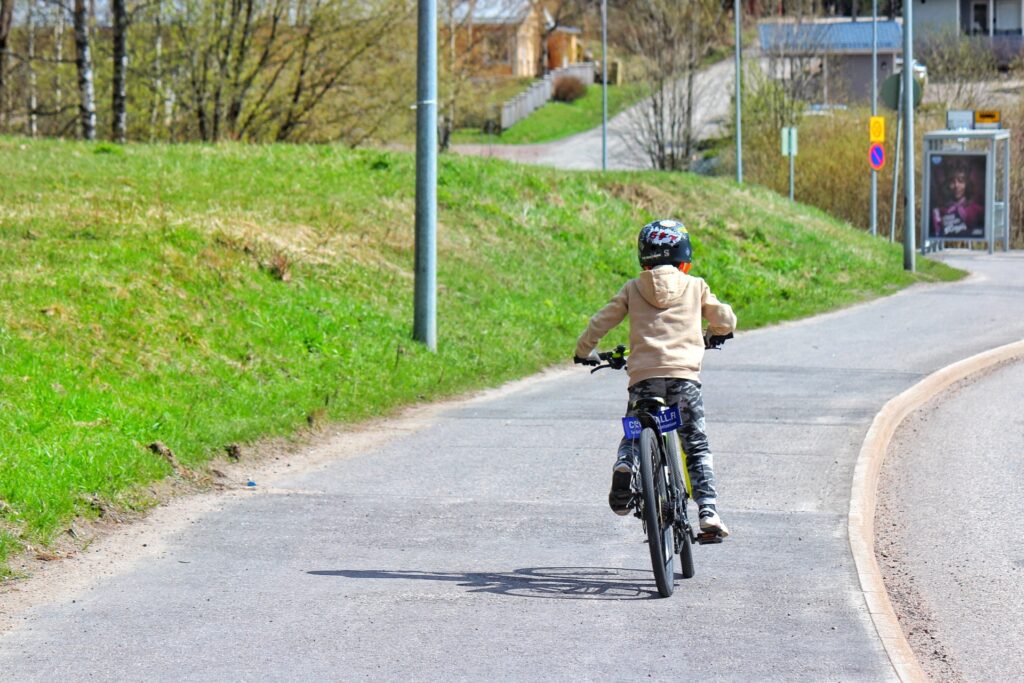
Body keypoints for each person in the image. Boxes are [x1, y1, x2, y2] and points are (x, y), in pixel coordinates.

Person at [574, 219, 736, 537]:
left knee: (633, 431)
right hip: (683, 380)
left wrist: (584, 351)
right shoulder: (695, 286)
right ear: (683, 256)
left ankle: (626, 464)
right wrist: (717, 332)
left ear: (644, 256)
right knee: (695, 443)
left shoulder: (633, 288)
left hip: (644, 379)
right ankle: (708, 511)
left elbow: (600, 321)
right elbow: (724, 317)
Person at [931, 159, 983, 237]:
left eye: (961, 181)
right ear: (947, 185)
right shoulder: (939, 211)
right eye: (952, 182)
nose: (956, 186)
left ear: (967, 184)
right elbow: (937, 234)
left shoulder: (978, 210)